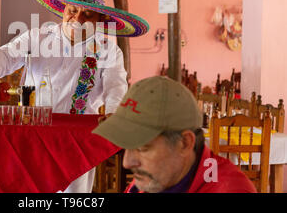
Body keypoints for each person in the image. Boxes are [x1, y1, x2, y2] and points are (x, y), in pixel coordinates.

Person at [0, 0, 150, 193]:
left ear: (99, 19)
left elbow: (116, 85)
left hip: (77, 138)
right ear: (63, 9)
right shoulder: (38, 37)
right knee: (29, 190)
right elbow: (7, 54)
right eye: (72, 10)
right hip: (33, 130)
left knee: (73, 195)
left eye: (87, 14)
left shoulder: (108, 49)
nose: (77, 18)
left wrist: (115, 113)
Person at [92, 76, 257, 193]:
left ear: (184, 143)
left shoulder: (228, 189)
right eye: (127, 146)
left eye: (142, 147)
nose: (126, 163)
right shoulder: (158, 178)